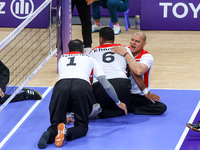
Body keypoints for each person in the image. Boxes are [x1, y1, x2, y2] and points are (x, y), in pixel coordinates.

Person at [37, 39, 127, 149]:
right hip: (81, 86)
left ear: (69, 50)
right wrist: (118, 102)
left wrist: (68, 114)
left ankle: (48, 134)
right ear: (83, 50)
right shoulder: (90, 58)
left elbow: (68, 86)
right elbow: (106, 85)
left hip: (61, 86)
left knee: (56, 124)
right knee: (82, 126)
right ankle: (66, 132)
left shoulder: (62, 59)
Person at [89, 27, 145, 119]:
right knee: (128, 104)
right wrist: (145, 91)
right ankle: (119, 109)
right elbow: (134, 71)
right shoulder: (124, 49)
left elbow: (89, 78)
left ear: (101, 39)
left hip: (101, 87)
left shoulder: (93, 52)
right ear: (113, 39)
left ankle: (101, 111)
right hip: (121, 85)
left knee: (99, 100)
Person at [111, 31, 167, 115]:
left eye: (137, 41)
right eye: (132, 40)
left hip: (140, 95)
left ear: (144, 44)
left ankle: (128, 109)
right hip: (125, 93)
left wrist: (126, 54)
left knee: (161, 107)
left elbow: (139, 71)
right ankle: (131, 109)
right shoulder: (122, 52)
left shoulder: (147, 57)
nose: (133, 43)